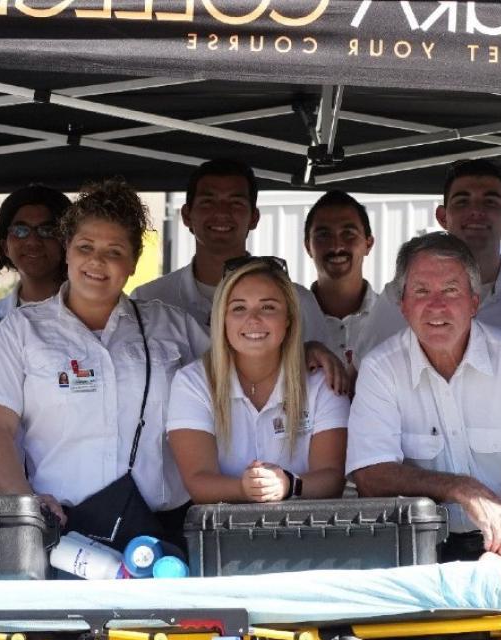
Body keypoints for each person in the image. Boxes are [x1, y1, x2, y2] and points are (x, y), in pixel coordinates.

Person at [0, 178, 208, 543]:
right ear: (67, 250)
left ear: (133, 261)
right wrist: (26, 503)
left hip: (163, 530)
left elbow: (236, 379)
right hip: (59, 528)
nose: (97, 261)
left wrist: (305, 351)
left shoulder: (172, 326)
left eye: (114, 251)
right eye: (85, 247)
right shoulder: (20, 329)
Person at [346, 234, 501, 562]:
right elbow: (371, 475)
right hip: (422, 547)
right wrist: (459, 488)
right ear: (403, 305)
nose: (436, 305)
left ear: (474, 302)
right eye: (421, 291)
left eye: (450, 290)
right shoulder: (380, 368)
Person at [130, 158, 348, 392]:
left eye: (235, 203)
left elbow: (329, 383)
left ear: (254, 217)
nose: (221, 212)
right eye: (208, 202)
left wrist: (308, 349)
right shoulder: (149, 300)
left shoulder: (298, 300)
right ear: (186, 215)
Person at [168, 257, 349, 504]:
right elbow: (198, 482)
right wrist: (245, 489)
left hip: (307, 534)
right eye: (239, 308)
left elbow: (332, 479)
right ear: (222, 319)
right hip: (221, 535)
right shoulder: (192, 383)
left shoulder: (321, 382)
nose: (253, 319)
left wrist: (288, 483)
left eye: (268, 307)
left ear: (289, 319)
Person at [356, 158, 501, 356]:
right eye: (462, 202)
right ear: (442, 217)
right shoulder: (399, 295)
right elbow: (365, 371)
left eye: (490, 202)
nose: (476, 211)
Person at [0, 184, 72, 344]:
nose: (33, 241)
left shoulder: (91, 313)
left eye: (47, 230)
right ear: (5, 246)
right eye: (20, 230)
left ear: (68, 243)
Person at [304, 190, 378, 368]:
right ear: (308, 246)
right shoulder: (288, 322)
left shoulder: (392, 318)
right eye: (323, 235)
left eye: (348, 233)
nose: (337, 246)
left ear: (368, 244)